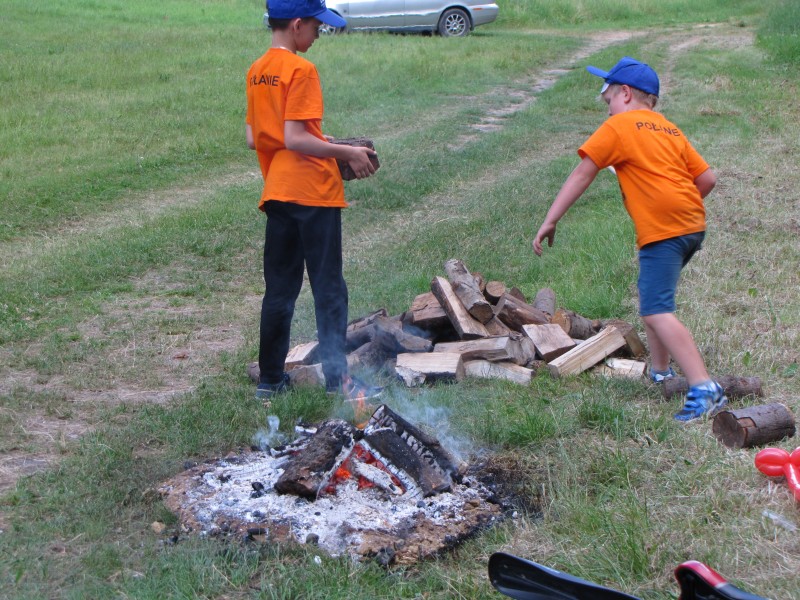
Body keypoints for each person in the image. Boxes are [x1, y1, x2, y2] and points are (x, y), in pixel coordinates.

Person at [532, 56, 727, 422]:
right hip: (692, 227)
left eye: (608, 101)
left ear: (624, 94)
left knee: (656, 309)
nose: (607, 110)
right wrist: (680, 207)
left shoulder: (619, 126)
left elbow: (583, 173)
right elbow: (707, 180)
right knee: (652, 298)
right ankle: (661, 372)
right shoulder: (669, 129)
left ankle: (704, 387)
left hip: (665, 232)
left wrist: (551, 219)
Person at [246, 0, 382, 401]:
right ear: (297, 25)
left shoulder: (258, 71)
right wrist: (346, 152)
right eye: (316, 27)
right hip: (313, 193)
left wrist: (319, 139)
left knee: (279, 290)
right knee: (329, 288)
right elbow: (295, 138)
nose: (319, 34)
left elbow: (256, 138)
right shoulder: (301, 69)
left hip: (278, 191)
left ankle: (270, 381)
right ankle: (339, 381)